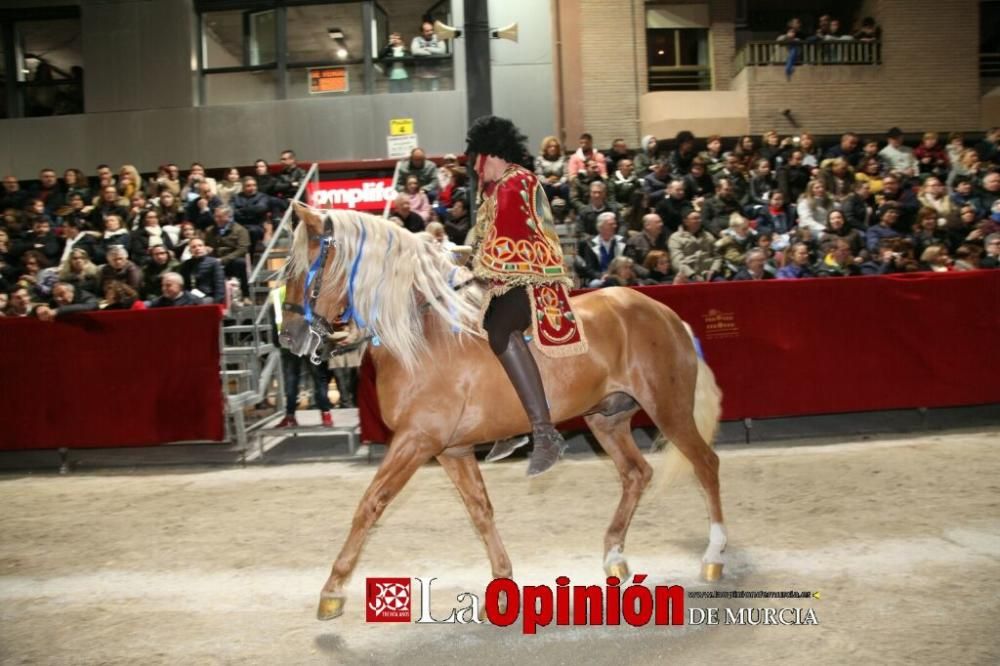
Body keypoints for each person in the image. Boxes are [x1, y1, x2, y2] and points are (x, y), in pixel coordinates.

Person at [465, 116, 583, 476]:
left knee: (498, 329)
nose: (472, 168)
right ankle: (510, 424)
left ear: (489, 156)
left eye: (475, 159)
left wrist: (476, 263)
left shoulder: (515, 184)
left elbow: (510, 241)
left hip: (533, 281)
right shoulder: (500, 189)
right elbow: (486, 243)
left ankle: (545, 433)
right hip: (509, 279)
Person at [668, 210, 720, 282]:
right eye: (695, 218)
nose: (698, 221)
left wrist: (713, 270)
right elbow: (677, 261)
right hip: (687, 276)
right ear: (686, 221)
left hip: (709, 274)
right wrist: (692, 275)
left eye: (699, 218)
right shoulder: (676, 238)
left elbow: (717, 256)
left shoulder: (708, 236)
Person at [180, 237, 225, 304]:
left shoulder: (214, 262)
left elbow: (219, 284)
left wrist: (216, 303)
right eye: (193, 247)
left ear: (205, 247)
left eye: (200, 245)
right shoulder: (186, 264)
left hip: (208, 296)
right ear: (190, 250)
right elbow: (183, 285)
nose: (197, 248)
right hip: (189, 296)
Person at [410, 20, 447, 91]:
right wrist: (431, 52)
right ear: (422, 32)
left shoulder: (438, 37)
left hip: (435, 73)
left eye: (431, 30)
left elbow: (442, 51)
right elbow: (414, 51)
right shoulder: (417, 39)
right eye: (427, 31)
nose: (430, 32)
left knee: (435, 95)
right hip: (422, 74)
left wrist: (427, 48)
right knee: (424, 96)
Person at [34, 282, 99, 321]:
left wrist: (57, 311)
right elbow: (45, 309)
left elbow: (90, 306)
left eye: (61, 294)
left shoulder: (85, 296)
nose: (58, 299)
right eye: (55, 296)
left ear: (71, 291)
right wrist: (39, 308)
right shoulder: (55, 301)